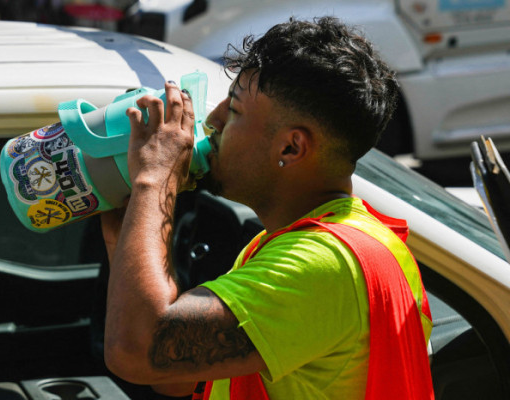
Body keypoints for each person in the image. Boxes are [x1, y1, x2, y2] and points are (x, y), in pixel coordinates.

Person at [101, 17, 434, 399]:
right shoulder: (294, 243)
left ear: (291, 147)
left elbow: (139, 351)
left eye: (235, 109)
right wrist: (127, 230)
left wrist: (154, 180)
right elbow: (174, 375)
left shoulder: (321, 264)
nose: (213, 120)